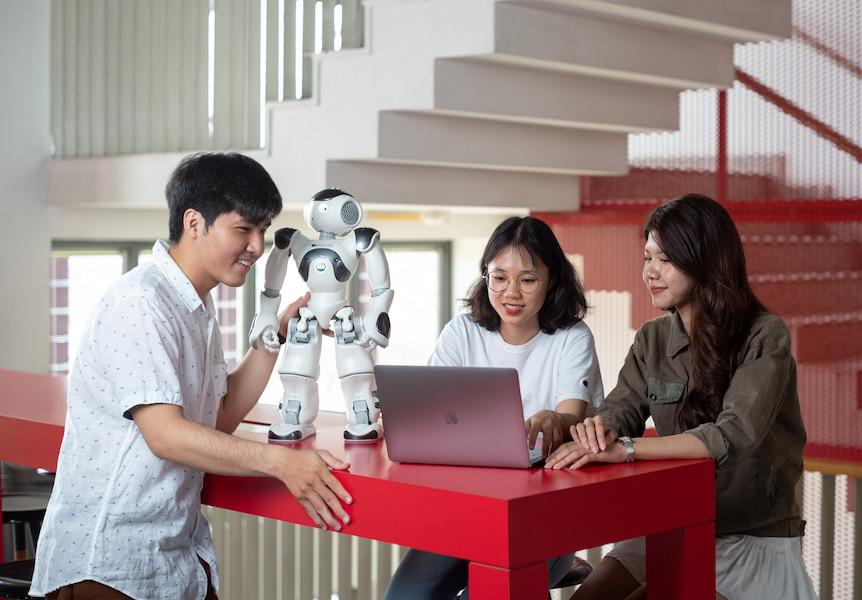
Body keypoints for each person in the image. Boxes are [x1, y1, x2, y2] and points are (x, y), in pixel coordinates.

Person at [30, 152, 354, 600]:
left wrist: (276, 333)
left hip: (174, 559)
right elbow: (167, 435)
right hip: (111, 565)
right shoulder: (142, 302)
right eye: (244, 229)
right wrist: (282, 462)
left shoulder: (195, 307)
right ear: (195, 223)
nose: (258, 247)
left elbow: (214, 418)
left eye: (262, 231)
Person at [545, 194, 817, 600]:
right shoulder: (652, 338)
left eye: (665, 260)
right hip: (674, 521)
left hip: (748, 537)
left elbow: (731, 436)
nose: (650, 272)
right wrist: (597, 430)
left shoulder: (765, 335)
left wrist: (625, 450)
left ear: (705, 261)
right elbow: (621, 410)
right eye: (647, 257)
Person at [383, 215, 605, 599]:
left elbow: (571, 415)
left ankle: (562, 561)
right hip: (467, 510)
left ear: (552, 279)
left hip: (543, 516)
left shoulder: (572, 337)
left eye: (527, 279)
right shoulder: (462, 331)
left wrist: (557, 420)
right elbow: (429, 413)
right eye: (498, 277)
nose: (510, 292)